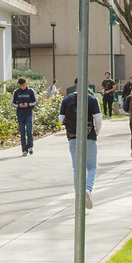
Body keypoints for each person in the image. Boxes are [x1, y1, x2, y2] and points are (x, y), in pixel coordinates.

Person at [59, 78, 102, 207]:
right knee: (92, 167)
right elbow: (98, 119)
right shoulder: (92, 99)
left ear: (75, 86)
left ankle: (79, 195)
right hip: (89, 136)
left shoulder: (66, 100)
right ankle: (87, 189)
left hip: (73, 137)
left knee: (77, 168)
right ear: (87, 86)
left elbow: (61, 119)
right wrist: (97, 132)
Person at [12, 75, 39, 155]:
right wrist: (19, 105)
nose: (22, 87)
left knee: (29, 130)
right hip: (20, 114)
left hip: (28, 113)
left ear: (26, 83)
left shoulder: (31, 91)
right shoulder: (16, 92)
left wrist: (28, 104)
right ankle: (24, 150)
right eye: (20, 86)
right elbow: (13, 103)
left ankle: (30, 146)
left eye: (23, 85)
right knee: (22, 132)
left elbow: (36, 102)